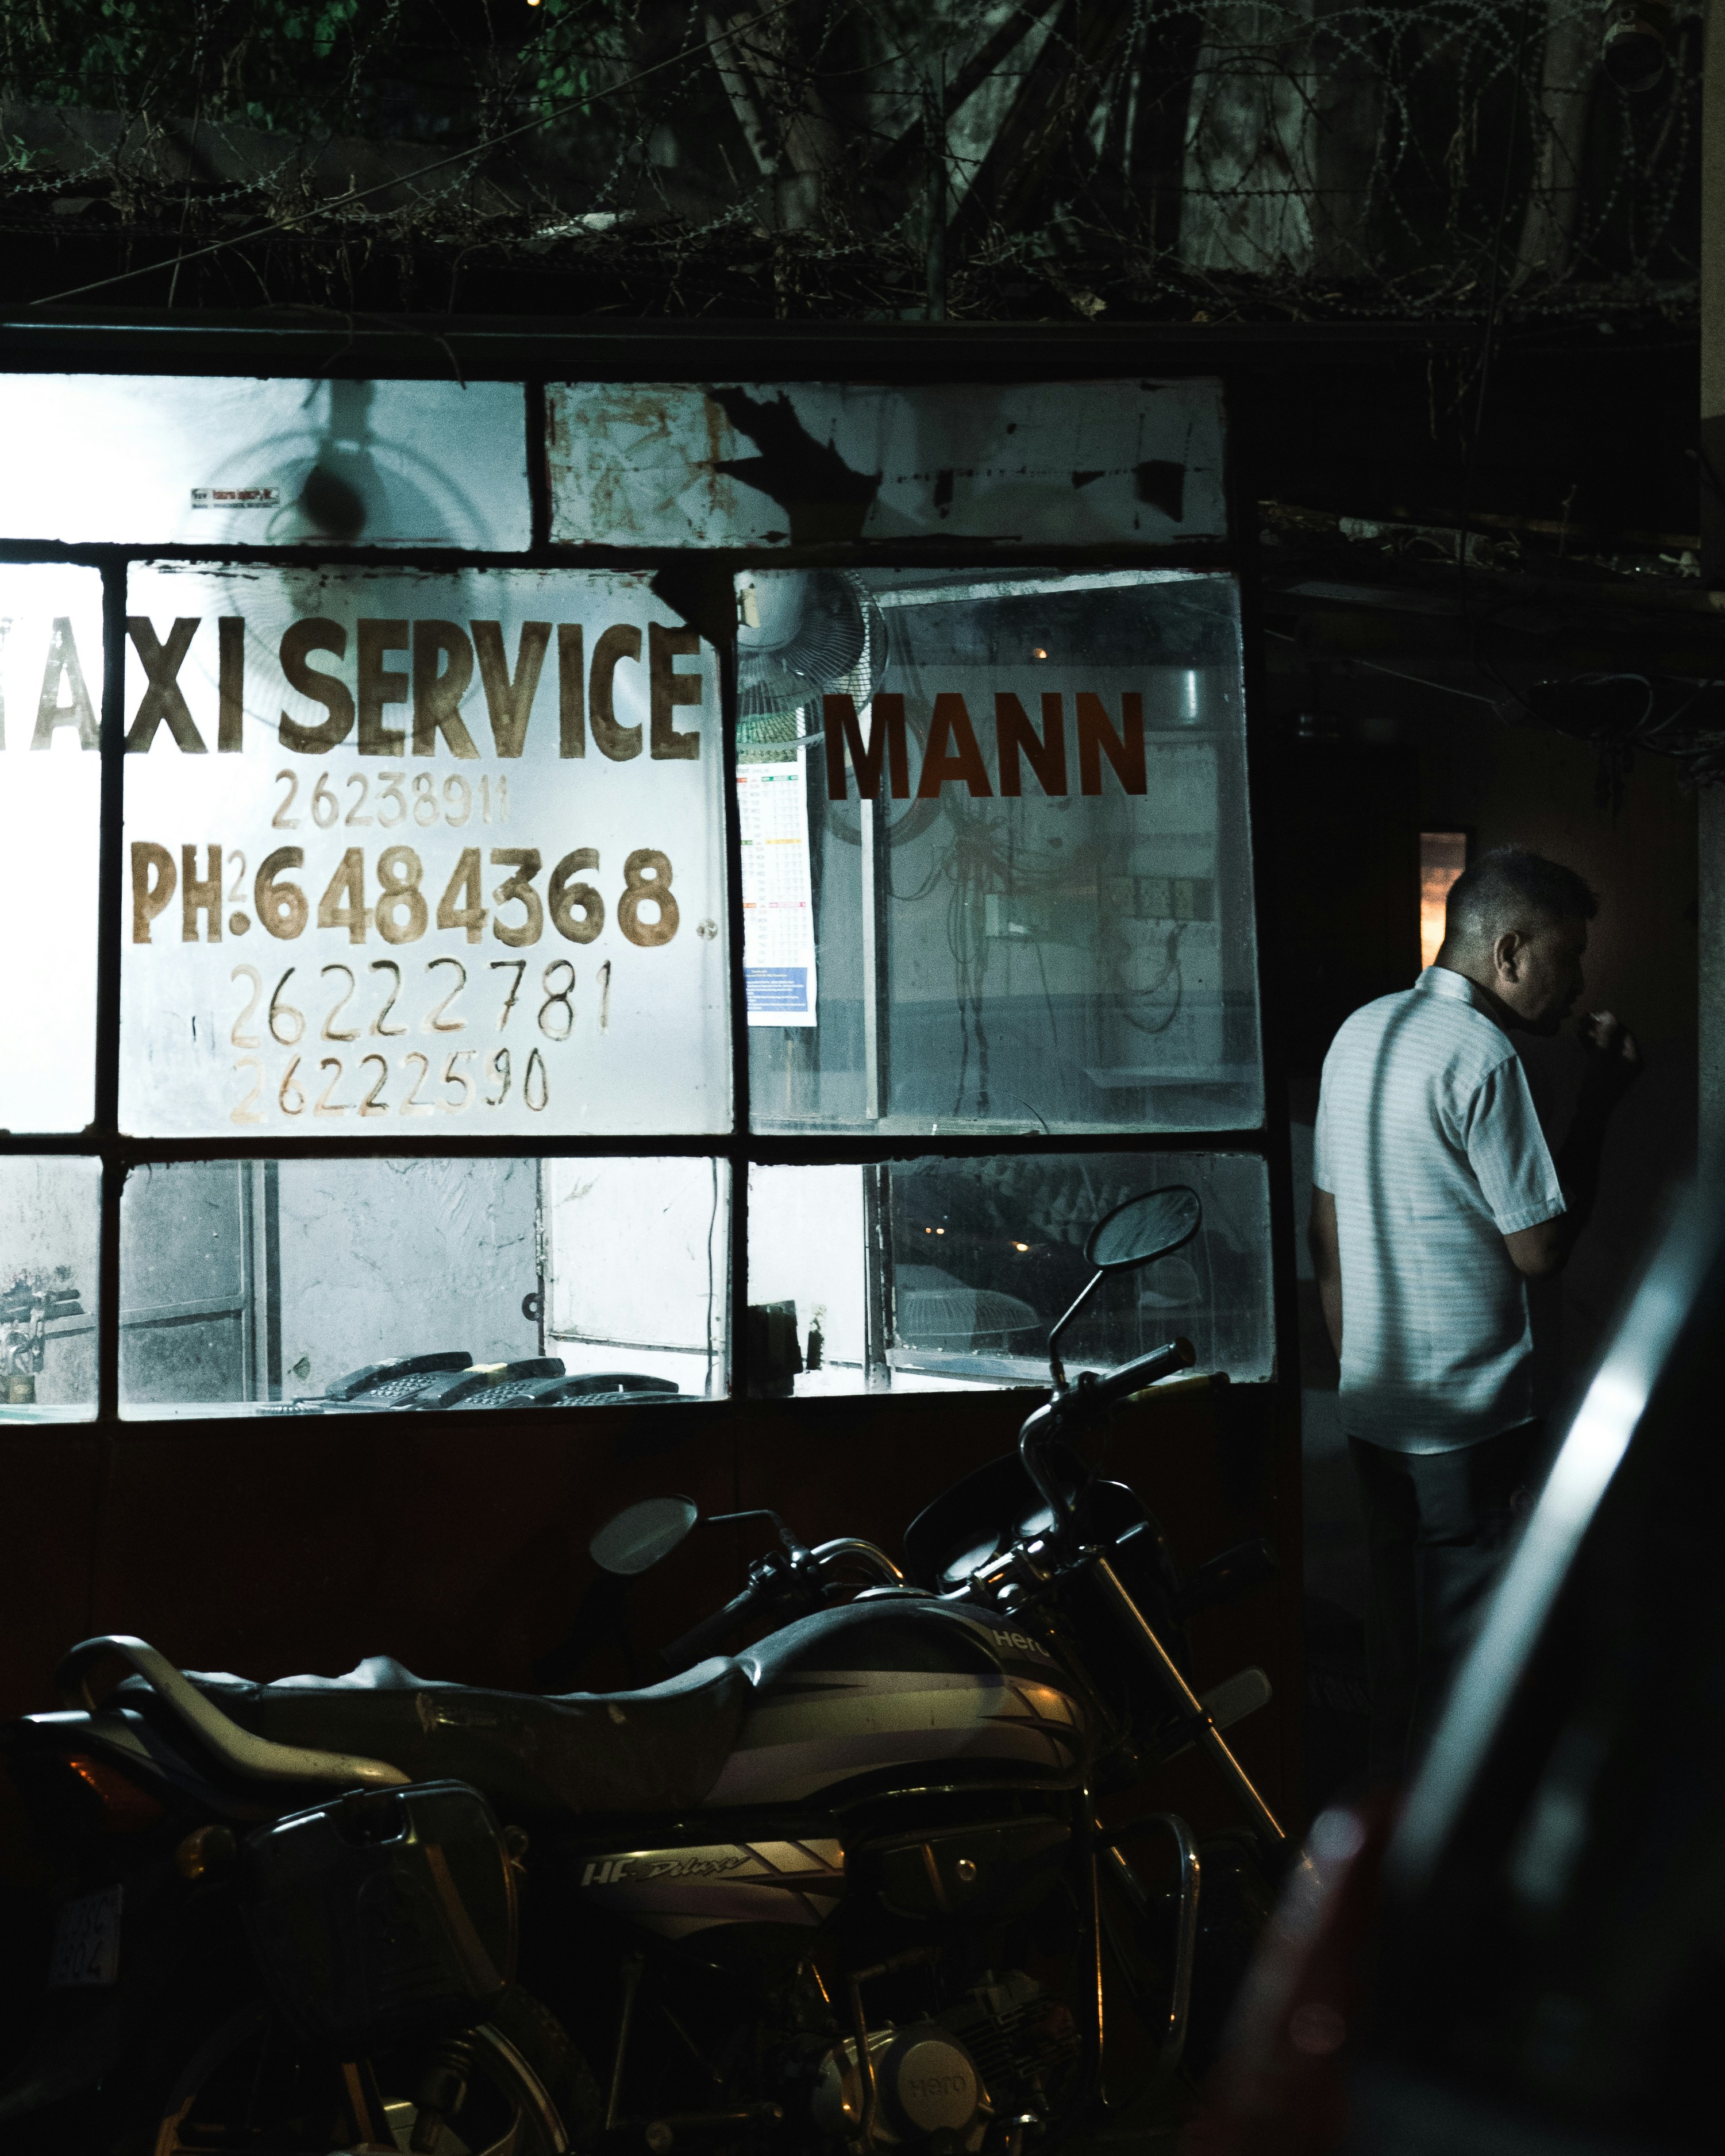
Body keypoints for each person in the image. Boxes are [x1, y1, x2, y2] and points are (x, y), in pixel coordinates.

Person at [1308, 846, 1640, 1782]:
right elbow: (1540, 1249)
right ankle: (1449, 1844)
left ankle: (1377, 1819)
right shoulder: (1482, 1055)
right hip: (1468, 1423)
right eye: (1568, 957)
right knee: (1467, 1662)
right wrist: (1598, 1103)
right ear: (1509, 951)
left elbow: (1325, 1229)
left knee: (1394, 1640)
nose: (1577, 985)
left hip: (1375, 1408)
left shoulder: (1359, 1031)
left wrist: (1357, 1367)